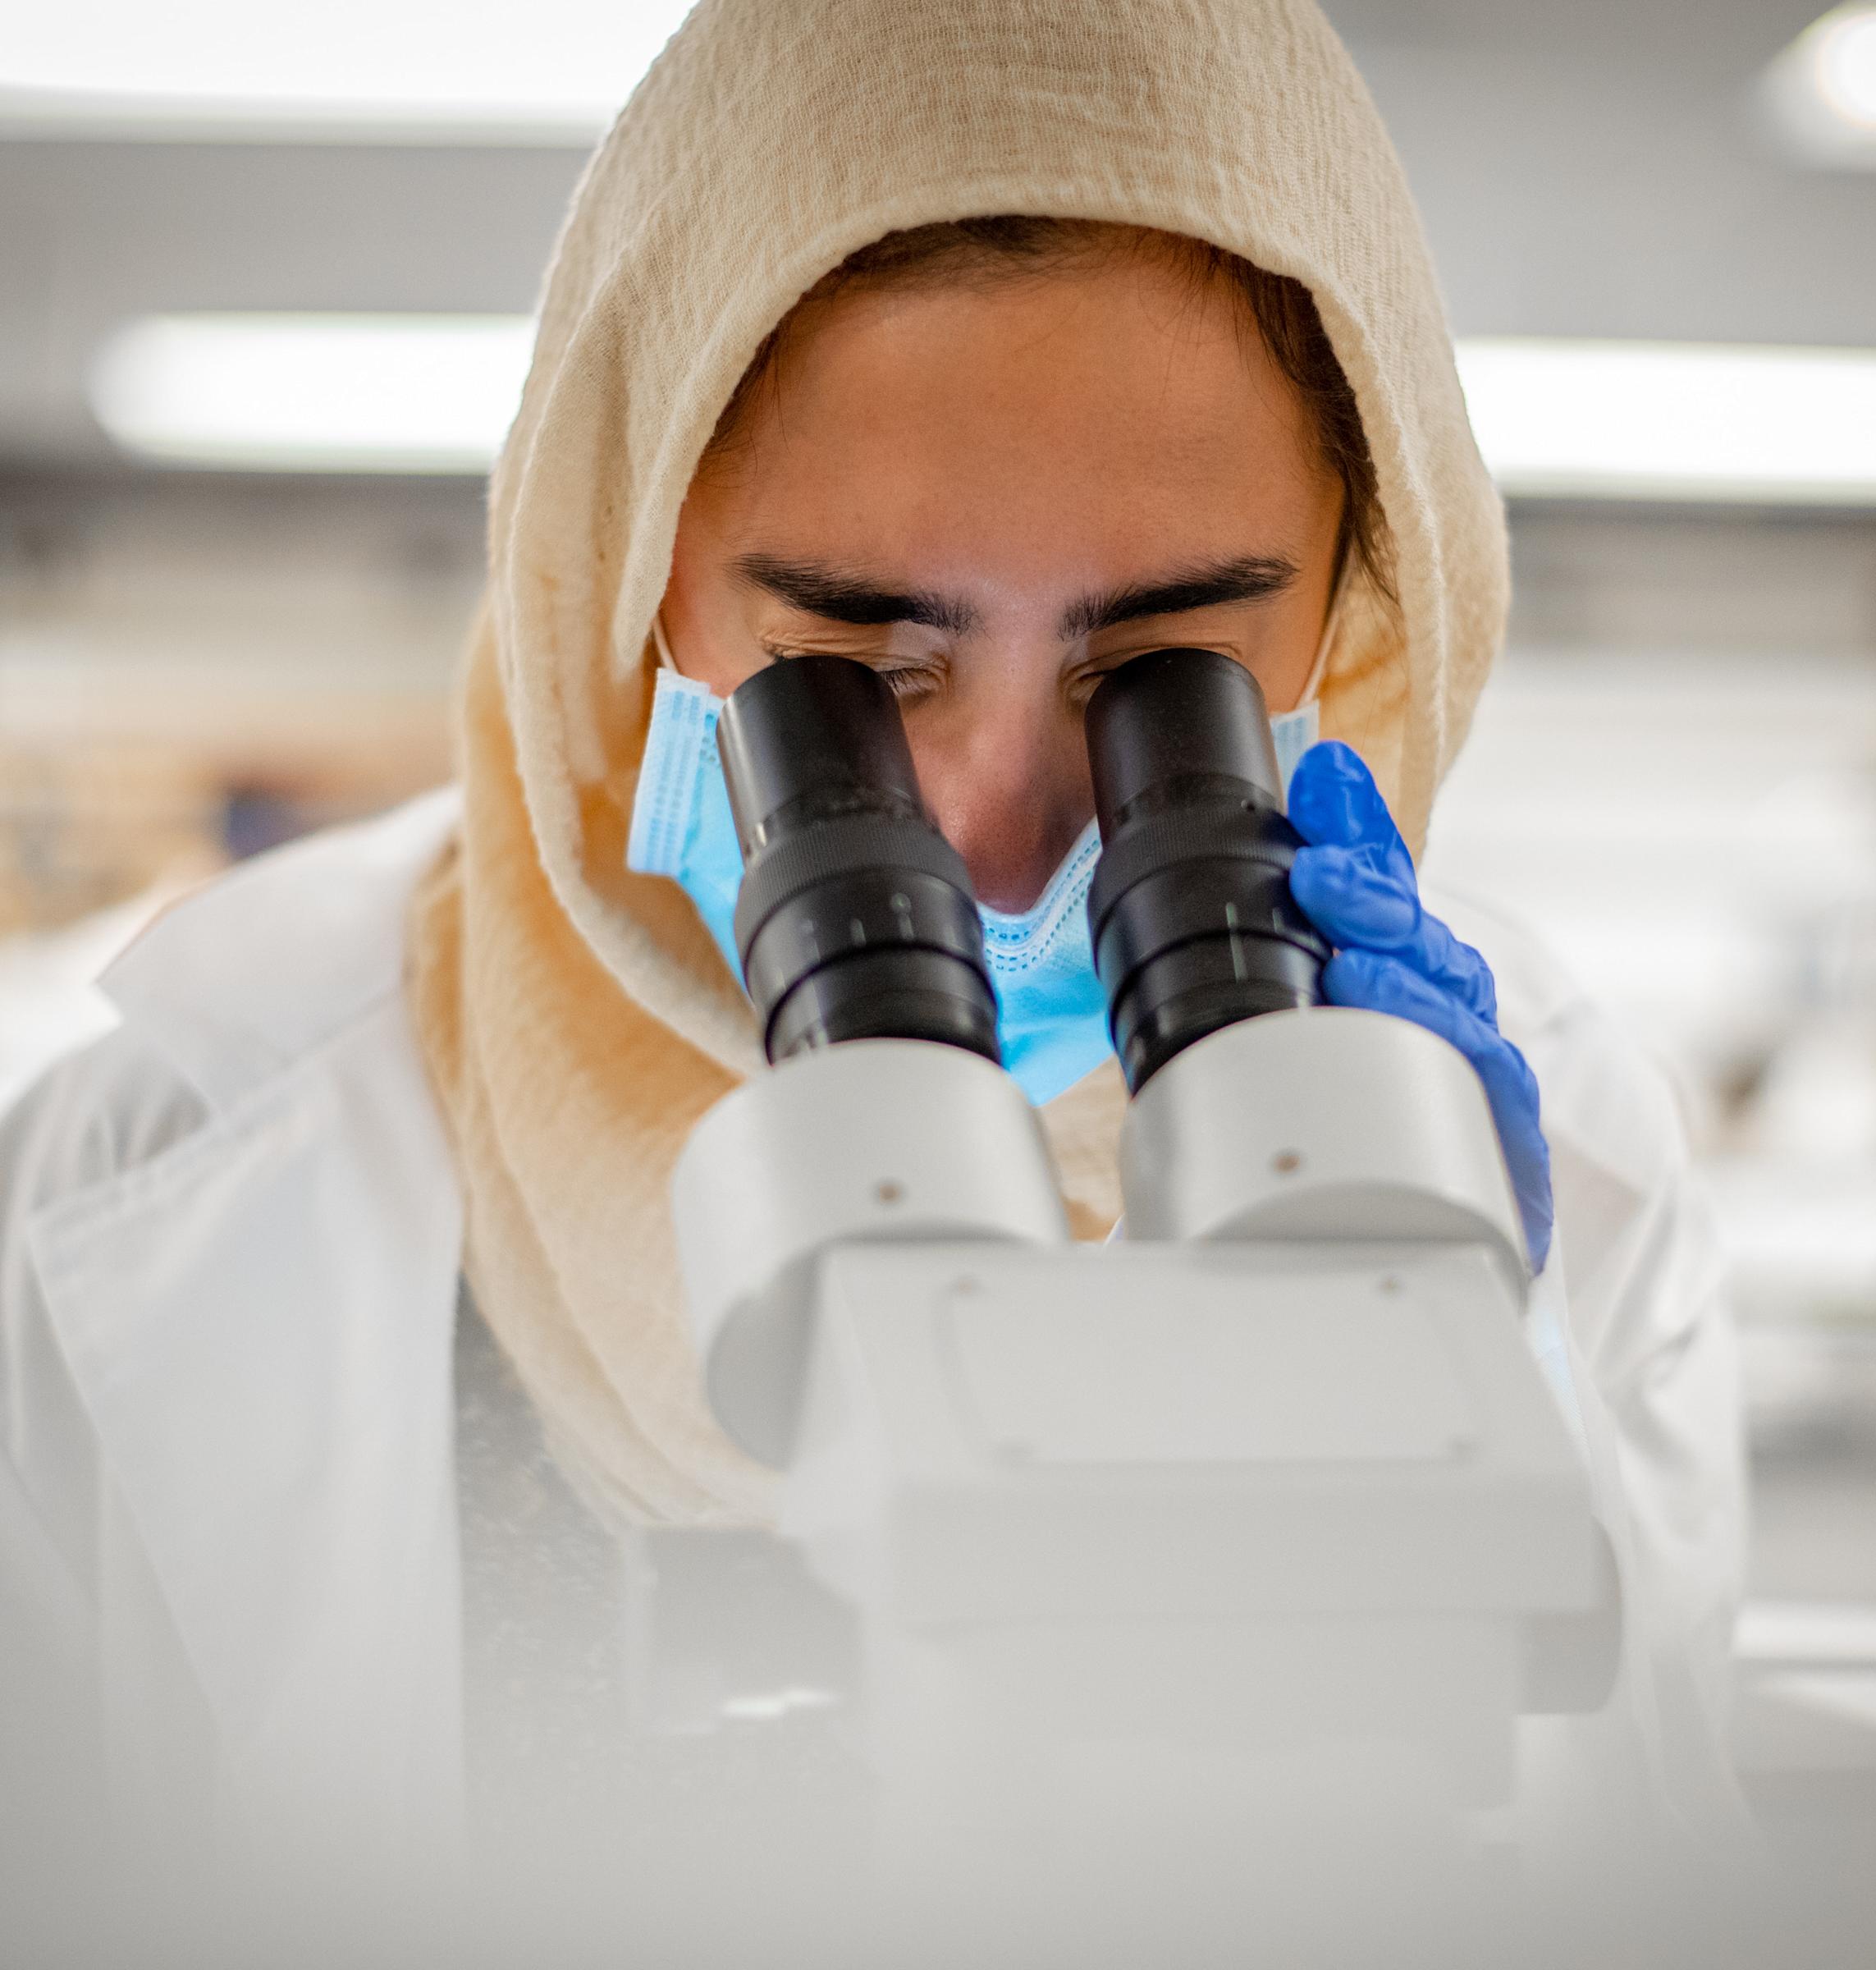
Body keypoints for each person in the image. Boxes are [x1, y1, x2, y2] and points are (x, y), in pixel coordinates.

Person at [0, 0, 1743, 1896]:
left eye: (1167, 681)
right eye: (864, 675)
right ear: (623, 561)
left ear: (1369, 581)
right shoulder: (158, 1171)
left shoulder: (1556, 1151)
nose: (998, 832)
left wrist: (1444, 1403)